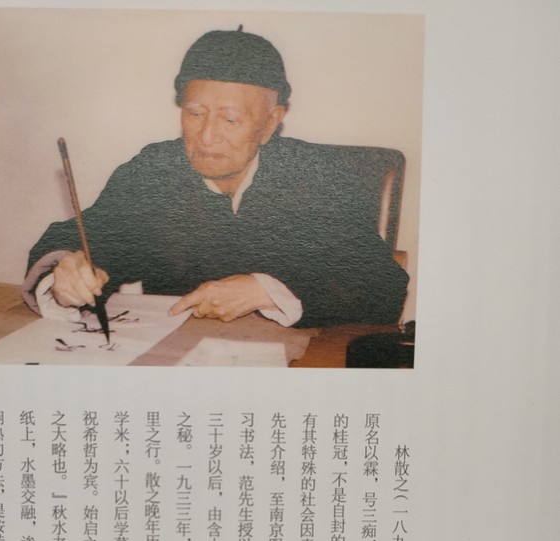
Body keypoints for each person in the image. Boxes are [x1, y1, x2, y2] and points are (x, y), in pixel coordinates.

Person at [23, 27, 409, 329]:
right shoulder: (154, 172)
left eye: (230, 119)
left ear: (271, 122)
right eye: (195, 114)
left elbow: (380, 284)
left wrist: (267, 290)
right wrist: (66, 275)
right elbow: (82, 239)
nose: (207, 137)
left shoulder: (314, 176)